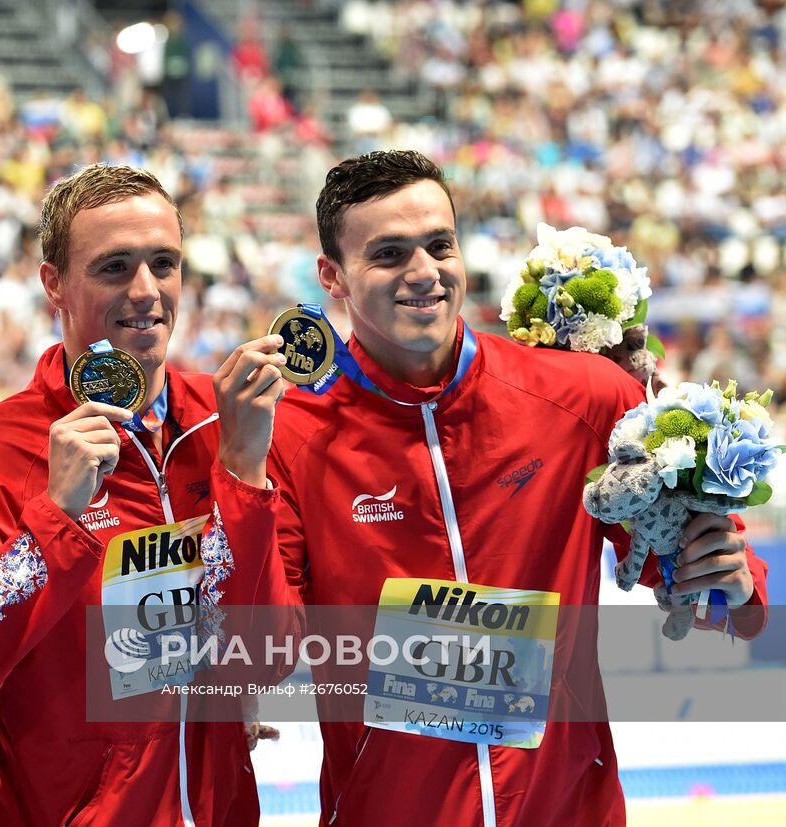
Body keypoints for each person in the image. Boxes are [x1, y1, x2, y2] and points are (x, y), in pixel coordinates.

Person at [268, 150, 770, 826]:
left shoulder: (582, 396)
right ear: (332, 276)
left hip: (566, 808)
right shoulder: (292, 433)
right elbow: (269, 640)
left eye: (439, 244)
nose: (423, 273)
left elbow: (699, 577)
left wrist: (732, 582)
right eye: (388, 254)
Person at [0, 162, 295, 824]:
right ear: (54, 283)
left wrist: (245, 469)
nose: (147, 290)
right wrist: (53, 520)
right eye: (115, 267)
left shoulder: (223, 422)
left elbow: (266, 658)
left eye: (163, 263)